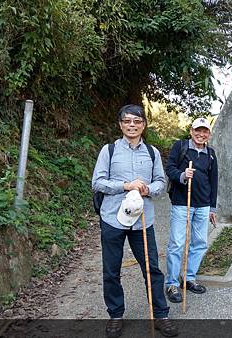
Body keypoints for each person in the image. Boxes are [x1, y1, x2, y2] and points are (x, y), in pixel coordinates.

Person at [91, 104, 178, 338]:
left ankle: (160, 314)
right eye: (127, 121)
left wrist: (148, 189)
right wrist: (125, 186)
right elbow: (97, 182)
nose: (132, 125)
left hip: (143, 220)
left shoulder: (151, 152)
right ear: (120, 124)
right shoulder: (108, 151)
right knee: (111, 270)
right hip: (112, 218)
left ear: (143, 125)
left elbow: (162, 181)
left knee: (151, 268)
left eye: (137, 121)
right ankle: (116, 315)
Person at [165, 117, 218, 303]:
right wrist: (181, 175)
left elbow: (214, 181)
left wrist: (212, 207)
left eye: (205, 131)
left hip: (203, 204)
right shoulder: (180, 147)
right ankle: (171, 283)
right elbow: (169, 167)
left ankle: (188, 278)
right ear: (191, 130)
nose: (201, 134)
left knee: (200, 243)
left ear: (208, 134)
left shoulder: (210, 154)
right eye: (198, 130)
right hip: (181, 202)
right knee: (177, 243)